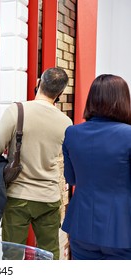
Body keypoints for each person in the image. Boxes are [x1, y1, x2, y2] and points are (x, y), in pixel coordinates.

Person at [0, 67, 73, 259]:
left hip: (18, 196)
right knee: (48, 256)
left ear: (38, 83)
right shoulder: (66, 122)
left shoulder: (16, 111)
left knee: (13, 256)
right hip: (49, 197)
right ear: (60, 93)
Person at [62, 74, 131, 260]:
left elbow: (71, 178)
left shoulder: (72, 133)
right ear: (124, 100)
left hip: (82, 226)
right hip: (123, 229)